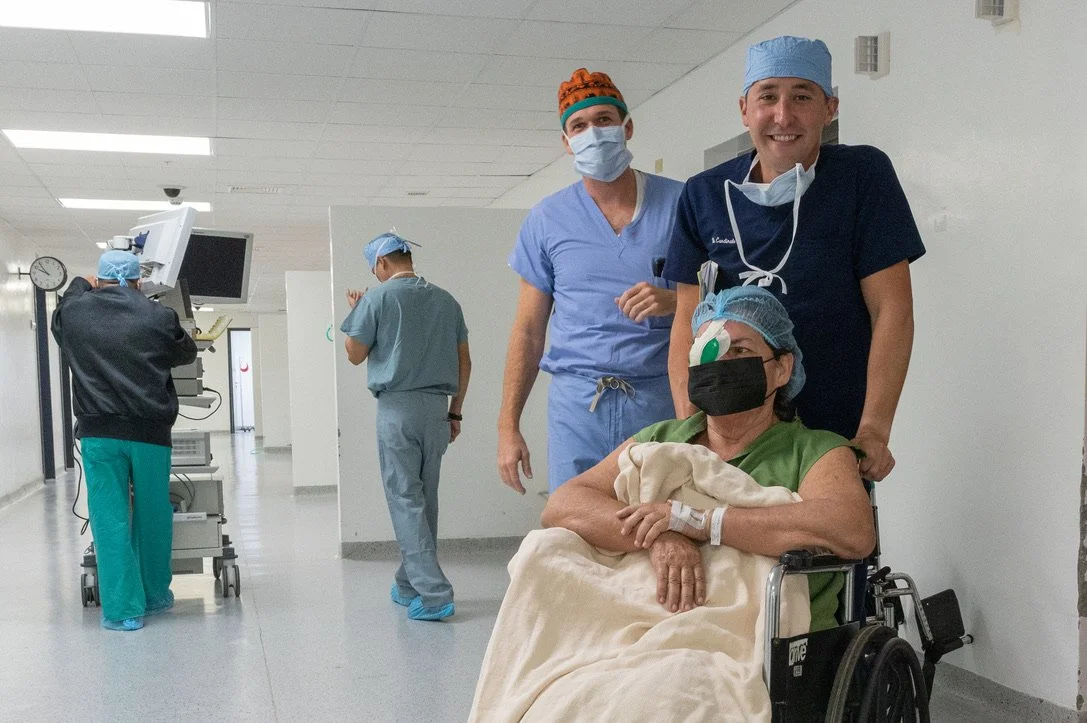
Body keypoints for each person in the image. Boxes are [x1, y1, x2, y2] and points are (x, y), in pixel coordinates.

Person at [664, 35, 925, 481]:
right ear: (744, 109)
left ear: (830, 108)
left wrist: (874, 429)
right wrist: (694, 423)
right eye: (768, 97)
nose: (783, 115)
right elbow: (687, 319)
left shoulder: (861, 177)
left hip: (833, 423)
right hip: (733, 424)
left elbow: (892, 308)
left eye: (802, 96)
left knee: (828, 544)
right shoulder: (703, 194)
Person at [543, 286, 874, 627]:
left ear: (782, 368)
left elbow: (853, 529)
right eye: (708, 352)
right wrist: (661, 536)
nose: (720, 365)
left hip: (756, 638)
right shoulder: (660, 439)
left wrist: (700, 522)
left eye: (740, 350)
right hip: (650, 621)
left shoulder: (816, 451)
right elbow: (564, 504)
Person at [499, 67, 685, 495]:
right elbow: (528, 331)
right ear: (567, 143)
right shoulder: (547, 219)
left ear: (627, 126)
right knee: (575, 530)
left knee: (660, 527)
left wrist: (678, 302)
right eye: (578, 125)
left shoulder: (682, 204)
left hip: (661, 399)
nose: (593, 132)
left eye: (603, 119)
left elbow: (726, 299)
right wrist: (508, 427)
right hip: (577, 406)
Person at [51, 250, 197, 631]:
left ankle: (122, 610)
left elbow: (61, 312)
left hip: (100, 433)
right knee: (152, 513)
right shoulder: (158, 316)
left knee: (110, 519)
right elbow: (186, 352)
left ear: (100, 279)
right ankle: (155, 596)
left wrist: (82, 283)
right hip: (150, 433)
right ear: (138, 280)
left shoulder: (75, 313)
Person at [341, 231, 471, 622]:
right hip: (436, 411)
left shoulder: (378, 298)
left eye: (374, 269)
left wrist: (358, 312)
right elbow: (465, 362)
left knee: (404, 498)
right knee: (424, 498)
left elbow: (354, 354)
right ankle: (408, 583)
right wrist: (455, 412)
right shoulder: (447, 301)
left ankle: (434, 594)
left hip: (397, 410)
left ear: (382, 263)